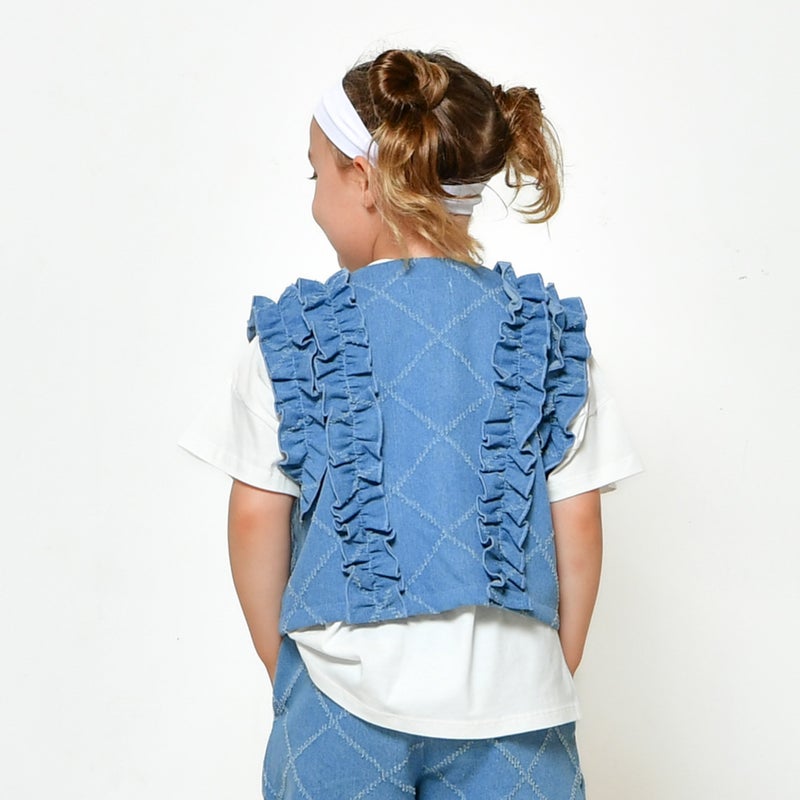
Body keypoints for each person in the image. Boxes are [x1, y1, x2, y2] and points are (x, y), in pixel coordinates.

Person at [180, 48, 642, 799]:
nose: (313, 200)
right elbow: (579, 524)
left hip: (341, 692)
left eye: (316, 175)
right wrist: (545, 670)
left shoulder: (294, 337)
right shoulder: (549, 335)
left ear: (365, 181)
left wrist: (287, 671)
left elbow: (255, 518)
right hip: (515, 701)